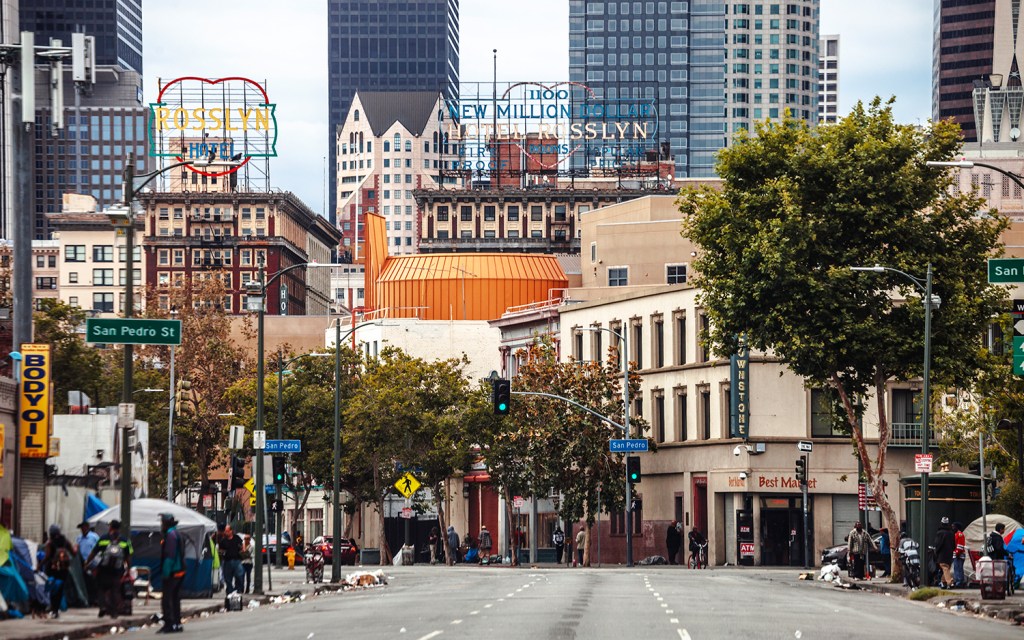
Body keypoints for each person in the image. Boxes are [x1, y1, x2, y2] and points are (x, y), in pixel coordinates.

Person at [87, 519, 132, 618]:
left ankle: (102, 607)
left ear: (110, 527)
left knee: (101, 589)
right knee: (115, 590)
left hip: (103, 569)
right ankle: (114, 612)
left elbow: (94, 552)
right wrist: (128, 569)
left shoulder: (103, 538)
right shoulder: (125, 540)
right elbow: (128, 556)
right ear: (119, 528)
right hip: (117, 570)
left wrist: (87, 563)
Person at [159, 513, 186, 634]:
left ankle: (169, 624)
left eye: (162, 522)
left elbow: (169, 556)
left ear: (166, 523)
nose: (161, 524)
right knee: (175, 598)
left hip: (173, 572)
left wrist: (166, 573)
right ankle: (177, 623)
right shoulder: (177, 533)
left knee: (167, 599)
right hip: (180, 570)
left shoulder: (171, 535)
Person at [41, 524, 74, 618]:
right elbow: (74, 553)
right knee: (60, 590)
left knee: (52, 589)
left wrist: (39, 565)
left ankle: (53, 609)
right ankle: (56, 609)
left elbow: (47, 557)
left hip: (52, 569)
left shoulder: (50, 543)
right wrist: (76, 547)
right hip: (63, 570)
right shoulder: (65, 542)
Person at [75, 521, 100, 606]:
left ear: (87, 527)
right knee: (85, 582)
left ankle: (95, 599)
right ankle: (88, 599)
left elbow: (98, 549)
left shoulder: (94, 537)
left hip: (92, 563)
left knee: (93, 582)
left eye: (83, 527)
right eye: (81, 528)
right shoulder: (79, 538)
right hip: (82, 563)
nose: (82, 530)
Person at [218, 524, 244, 595]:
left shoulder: (237, 538)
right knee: (227, 577)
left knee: (239, 575)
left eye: (227, 531)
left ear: (231, 531)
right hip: (227, 561)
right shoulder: (223, 541)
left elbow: (241, 547)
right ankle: (230, 590)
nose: (226, 533)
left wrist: (242, 550)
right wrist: (222, 552)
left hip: (237, 560)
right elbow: (220, 551)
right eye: (225, 531)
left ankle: (237, 589)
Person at [933, 516, 955, 589]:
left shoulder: (939, 533)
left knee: (944, 568)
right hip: (950, 555)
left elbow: (938, 544)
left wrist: (936, 552)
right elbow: (954, 545)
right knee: (946, 569)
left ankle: (949, 582)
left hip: (942, 555)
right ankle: (943, 582)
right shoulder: (951, 533)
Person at [952, 522, 967, 588]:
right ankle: (958, 581)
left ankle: (959, 582)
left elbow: (960, 545)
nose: (952, 528)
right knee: (957, 568)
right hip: (957, 554)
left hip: (959, 555)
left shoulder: (959, 534)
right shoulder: (956, 534)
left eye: (953, 527)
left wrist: (957, 553)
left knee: (958, 568)